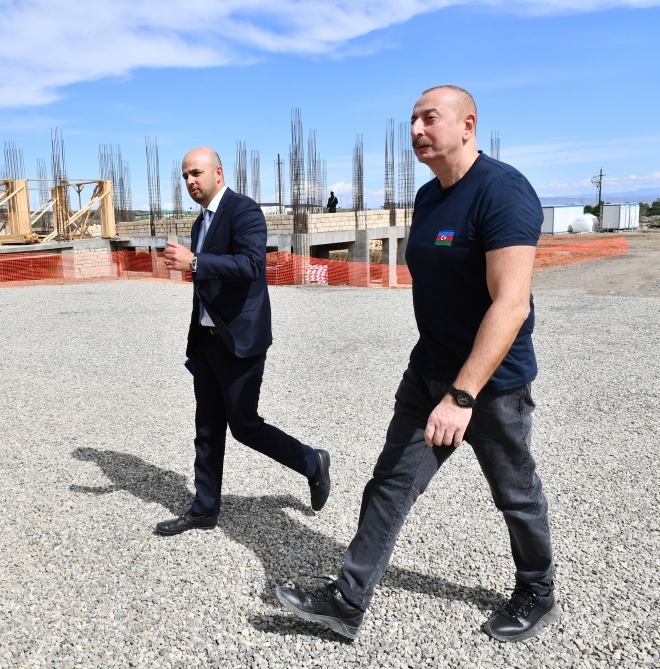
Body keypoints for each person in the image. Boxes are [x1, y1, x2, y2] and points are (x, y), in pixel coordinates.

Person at [276, 86, 560, 643]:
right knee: (391, 484)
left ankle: (538, 589)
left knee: (515, 492)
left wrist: (462, 395)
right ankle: (347, 600)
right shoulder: (429, 198)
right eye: (412, 121)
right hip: (428, 372)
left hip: (492, 385)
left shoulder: (503, 191)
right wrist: (440, 383)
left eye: (430, 118)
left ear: (468, 126)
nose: (415, 131)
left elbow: (512, 304)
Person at [159, 147, 331, 535]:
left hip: (239, 340)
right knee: (207, 427)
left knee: (245, 425)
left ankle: (312, 462)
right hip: (206, 341)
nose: (190, 181)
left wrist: (195, 262)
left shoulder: (244, 210)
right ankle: (204, 509)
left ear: (218, 173)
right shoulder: (199, 224)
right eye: (185, 176)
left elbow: (253, 264)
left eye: (196, 173)